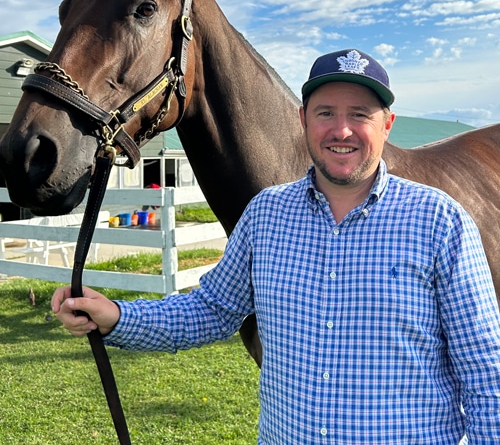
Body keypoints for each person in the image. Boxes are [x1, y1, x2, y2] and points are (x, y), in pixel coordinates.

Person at [52, 48, 500, 444]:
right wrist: (117, 317)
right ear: (303, 120)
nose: (340, 130)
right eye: (325, 113)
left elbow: (485, 369)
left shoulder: (440, 221)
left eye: (360, 114)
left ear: (387, 124)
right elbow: (212, 309)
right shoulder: (267, 215)